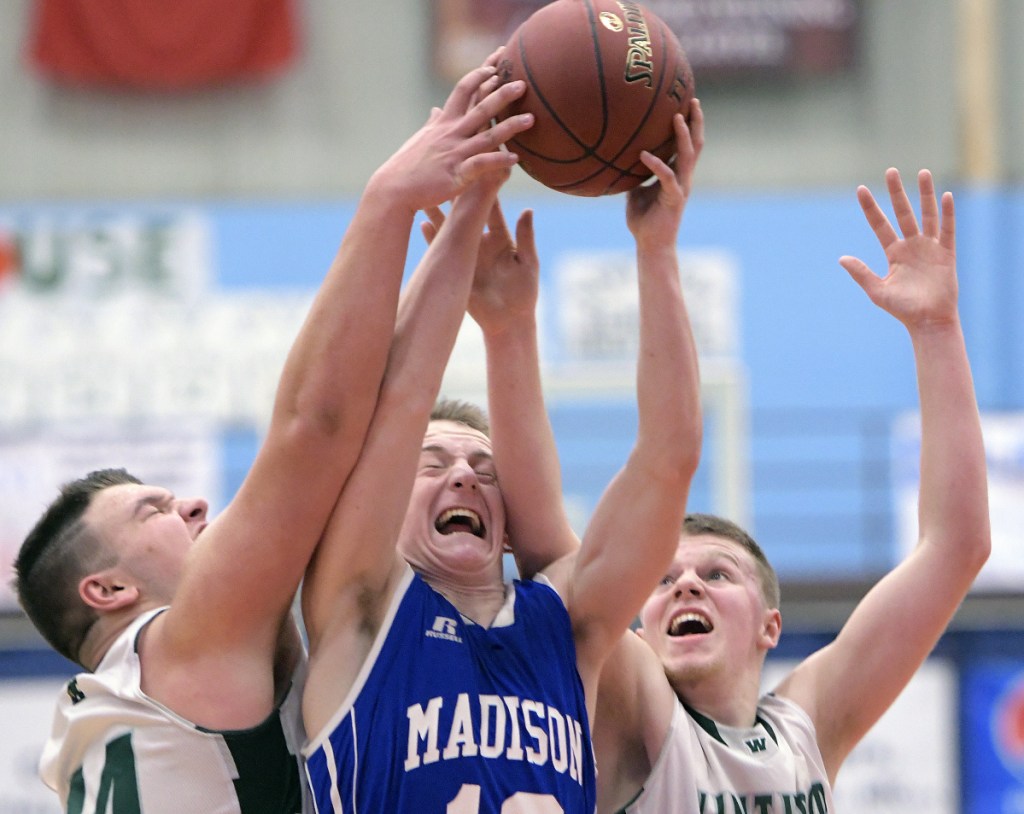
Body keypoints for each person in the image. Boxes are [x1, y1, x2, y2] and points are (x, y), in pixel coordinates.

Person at [10, 56, 533, 814]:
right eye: (154, 510)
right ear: (111, 590)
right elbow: (313, 430)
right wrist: (388, 200)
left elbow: (384, 413)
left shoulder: (111, 715)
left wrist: (459, 222)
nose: (193, 506)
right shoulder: (180, 647)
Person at [299, 103, 705, 811]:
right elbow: (396, 403)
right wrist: (469, 207)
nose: (463, 474)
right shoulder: (359, 611)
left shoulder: (569, 623)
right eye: (433, 465)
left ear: (509, 522)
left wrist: (656, 248)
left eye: (486, 472)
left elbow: (669, 458)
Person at [588, 168, 992, 812]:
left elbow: (957, 545)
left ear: (770, 626)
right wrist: (656, 251)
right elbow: (660, 450)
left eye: (717, 574)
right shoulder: (632, 710)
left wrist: (937, 330)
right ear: (638, 630)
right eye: (662, 582)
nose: (686, 585)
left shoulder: (806, 726)